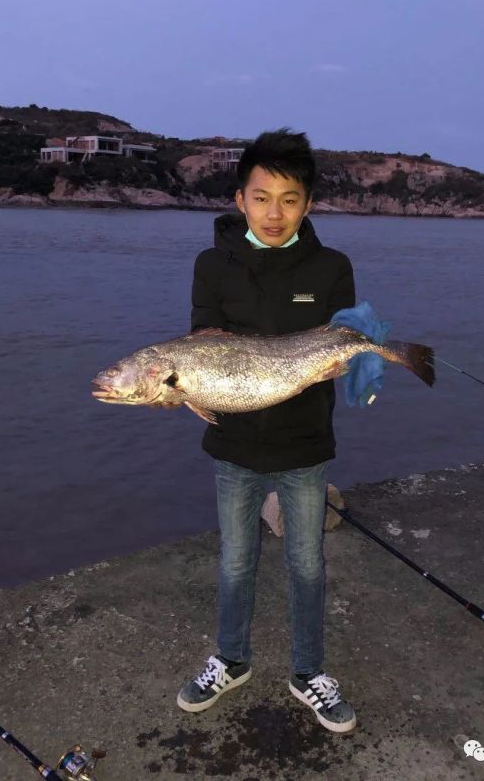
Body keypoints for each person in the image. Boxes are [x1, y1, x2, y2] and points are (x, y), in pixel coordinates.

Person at [176, 128, 357, 733]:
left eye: (288, 199)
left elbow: (341, 335)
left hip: (305, 442)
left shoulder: (332, 267)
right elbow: (201, 340)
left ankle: (308, 672)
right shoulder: (211, 265)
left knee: (306, 563)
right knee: (235, 561)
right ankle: (231, 659)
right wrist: (177, 387)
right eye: (261, 198)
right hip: (233, 443)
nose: (273, 213)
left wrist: (354, 357)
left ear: (308, 204)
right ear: (240, 199)